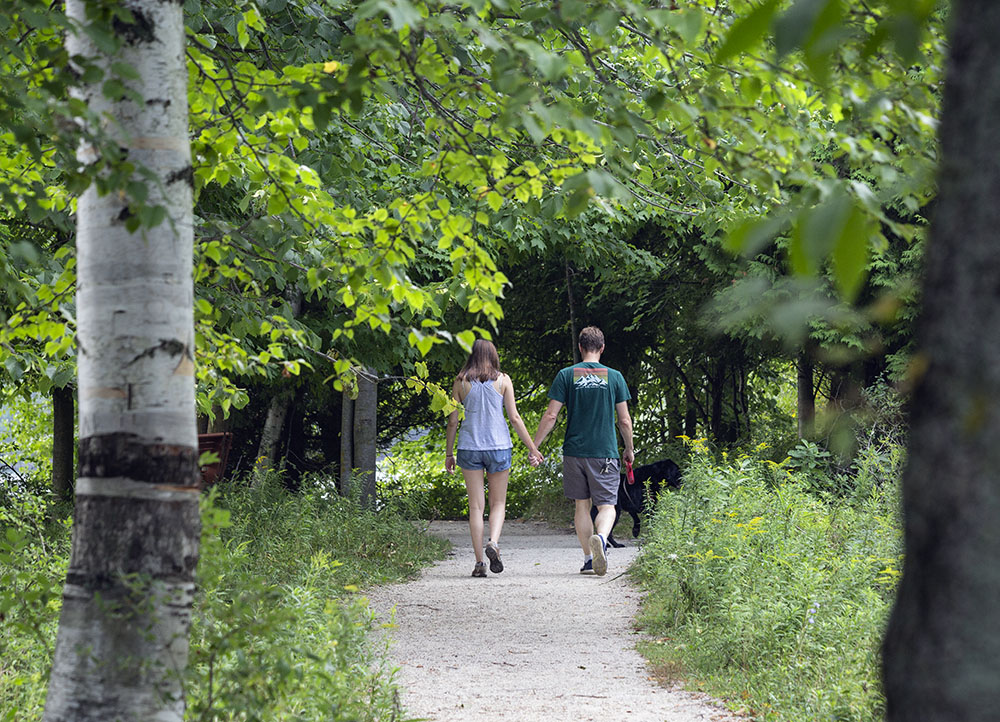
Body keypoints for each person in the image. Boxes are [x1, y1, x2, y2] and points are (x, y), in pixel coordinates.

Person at [533, 326, 634, 576]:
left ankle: (589, 559)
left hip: (574, 452)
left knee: (581, 506)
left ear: (580, 348)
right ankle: (601, 537)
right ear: (602, 348)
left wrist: (534, 447)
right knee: (607, 506)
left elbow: (551, 415)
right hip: (605, 452)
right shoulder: (615, 377)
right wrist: (629, 449)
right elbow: (624, 421)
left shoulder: (567, 375)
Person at [446, 339, 543, 578]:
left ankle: (480, 563)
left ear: (471, 356)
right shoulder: (503, 380)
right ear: (493, 356)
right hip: (499, 447)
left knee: (476, 507)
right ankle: (494, 542)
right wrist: (533, 448)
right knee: (498, 503)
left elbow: (452, 421)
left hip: (469, 448)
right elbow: (515, 418)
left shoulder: (460, 382)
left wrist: (449, 453)